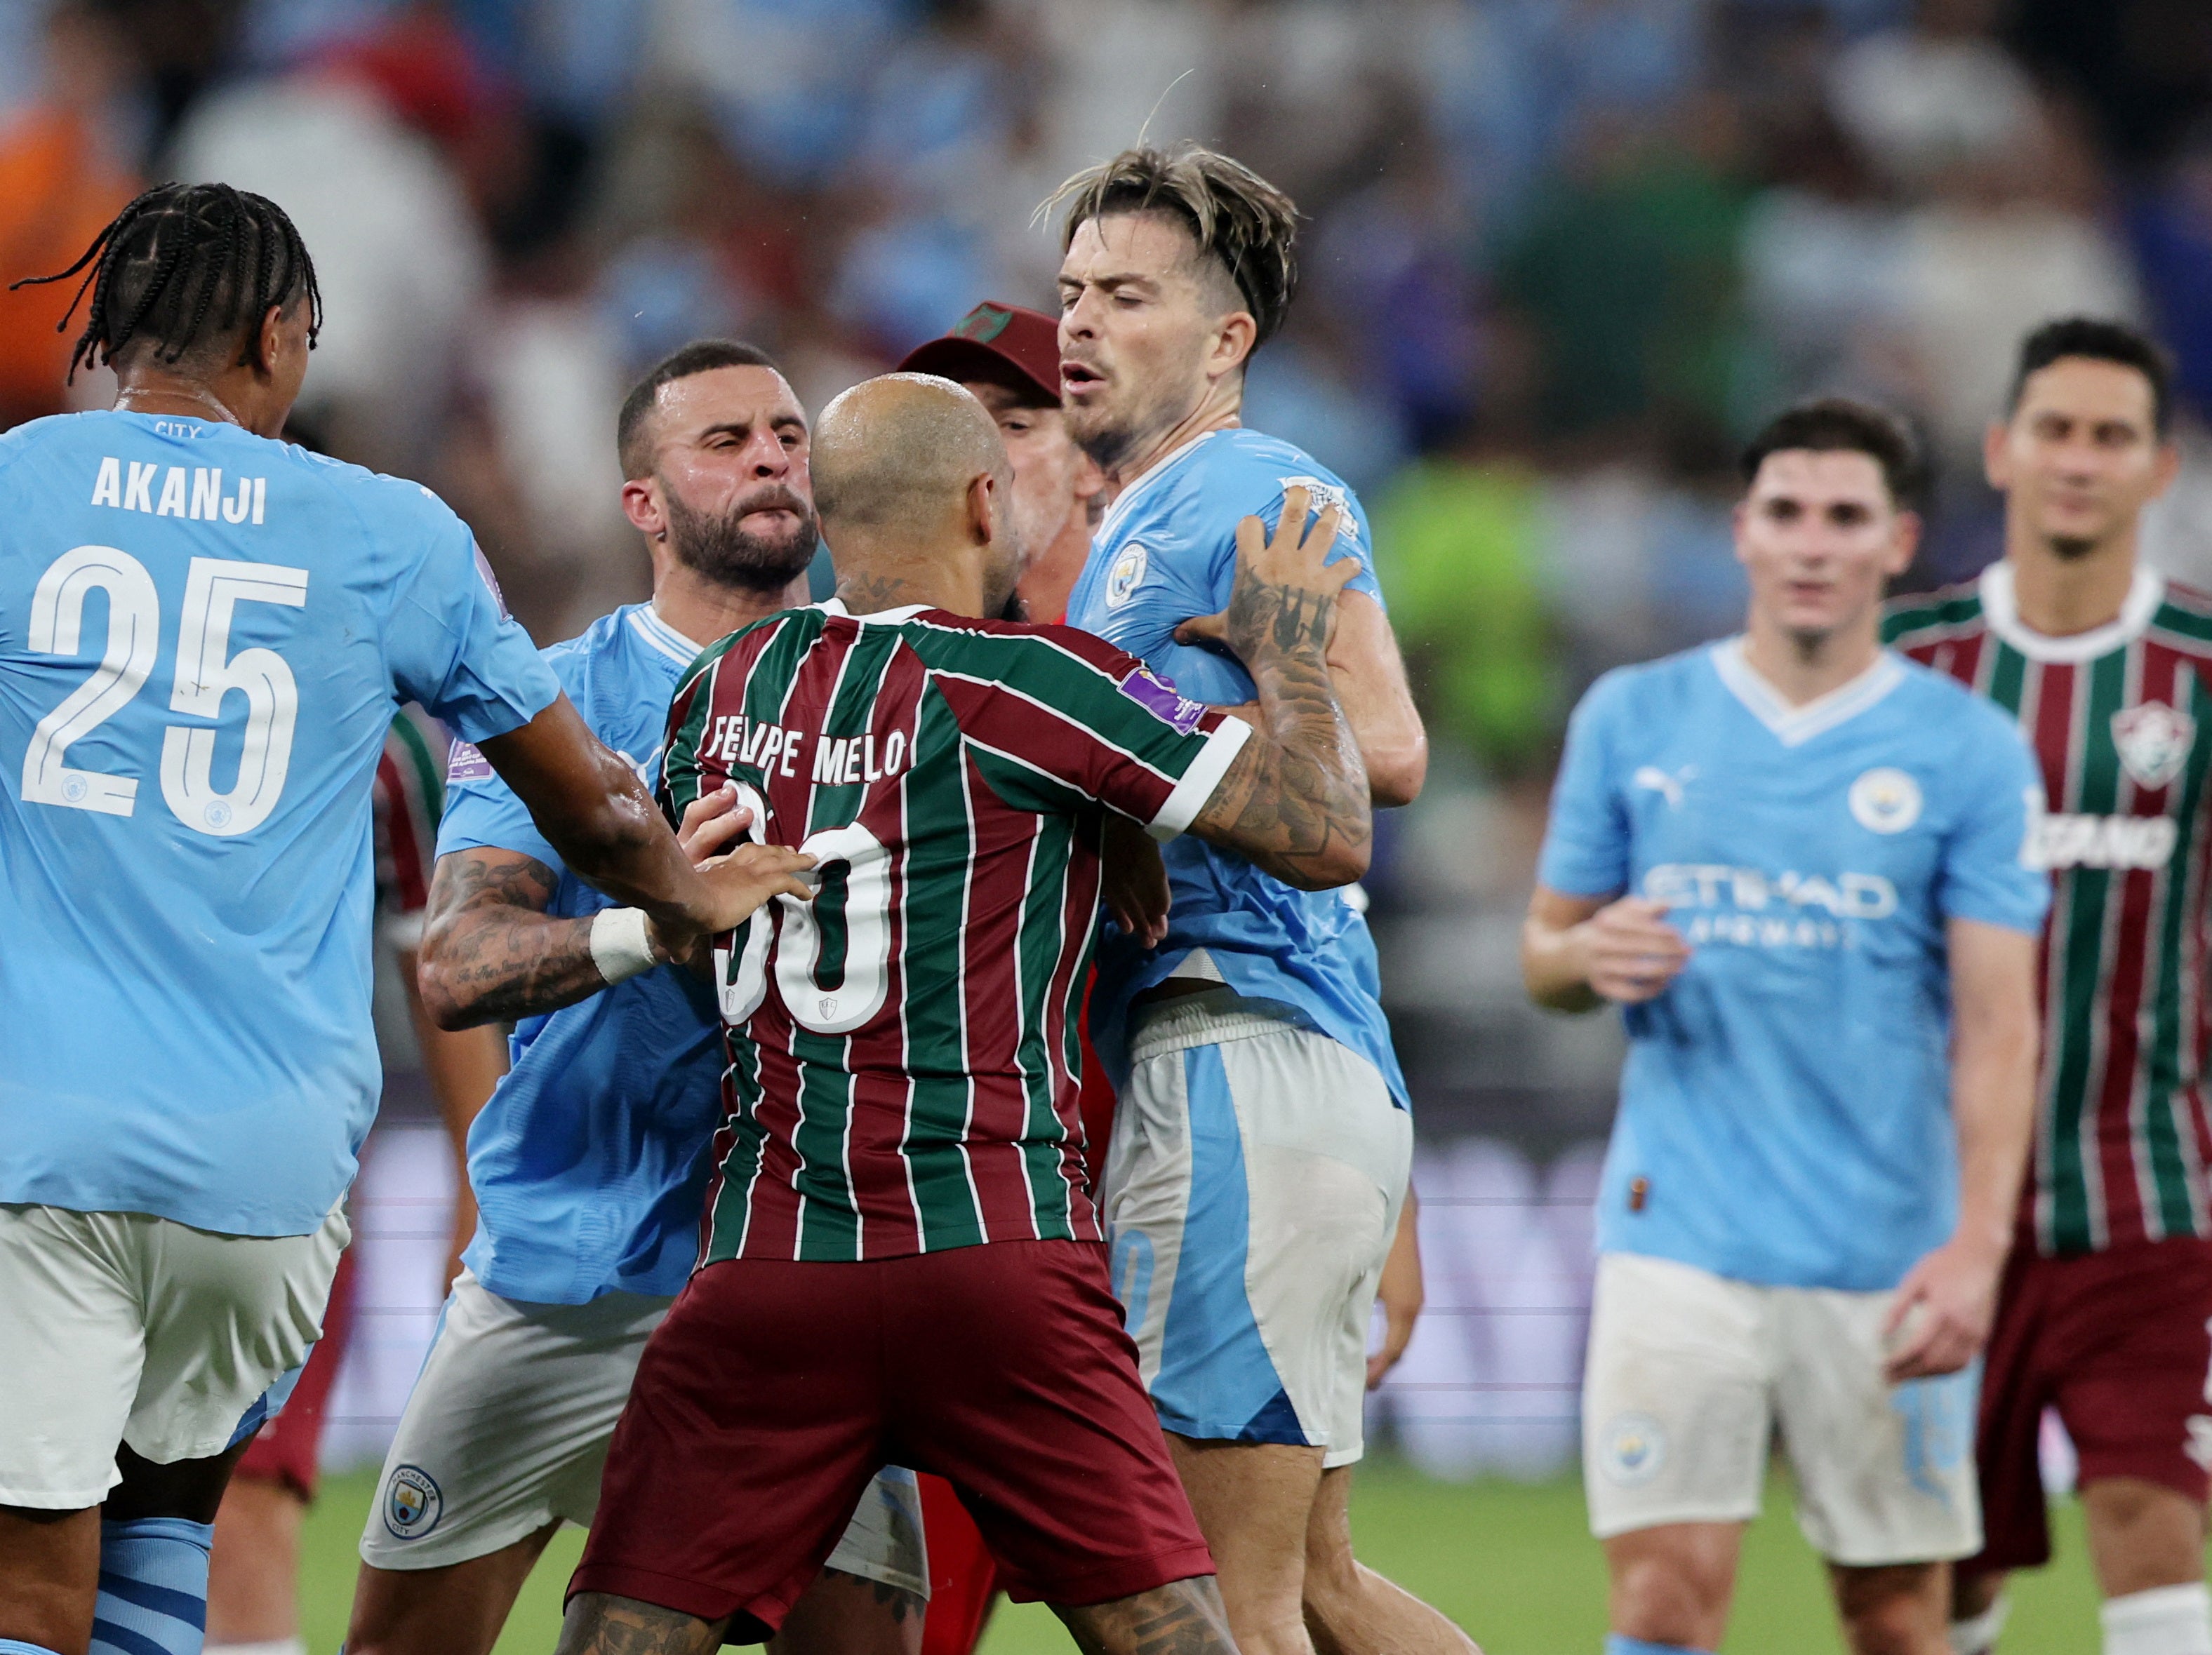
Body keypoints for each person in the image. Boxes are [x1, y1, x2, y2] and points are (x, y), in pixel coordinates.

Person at [0, 183, 800, 1655]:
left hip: (41, 1138)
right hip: (273, 1168)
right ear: (279, 334)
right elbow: (595, 811)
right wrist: (690, 894)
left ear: (110, 332)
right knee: (164, 1547)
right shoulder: (392, 533)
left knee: (26, 1595)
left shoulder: (15, 484)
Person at [557, 372, 1376, 1655]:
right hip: (995, 1257)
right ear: (988, 502)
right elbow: (1325, 830)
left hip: (768, 1266)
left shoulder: (723, 691)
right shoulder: (1036, 681)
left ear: (824, 514)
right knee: (1175, 1633)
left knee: (618, 1631)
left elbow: (695, 918)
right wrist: (1286, 650)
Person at [342, 341, 926, 1655]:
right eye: (724, 439)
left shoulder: (892, 691)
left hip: (800, 1277)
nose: (773, 455)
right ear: (643, 504)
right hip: (566, 1272)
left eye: (788, 434)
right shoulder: (557, 704)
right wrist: (653, 922)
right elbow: (458, 963)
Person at [1521, 398, 2049, 1655]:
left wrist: (1977, 1248)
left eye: (1844, 516)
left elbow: (1998, 1027)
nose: (1813, 542)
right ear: (1741, 531)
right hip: (1677, 1230)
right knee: (1660, 1599)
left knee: (1892, 1617)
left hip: (1884, 1250)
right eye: (1788, 513)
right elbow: (1543, 953)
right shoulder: (1631, 717)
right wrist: (1584, 955)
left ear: (1895, 540)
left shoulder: (1965, 750)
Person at [1051, 143, 1459, 1655]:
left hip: (1238, 1052)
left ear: (1225, 339)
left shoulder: (1254, 484)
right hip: (1269, 1059)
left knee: (1222, 1607)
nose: (1079, 323)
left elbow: (1392, 753)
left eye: (1127, 296)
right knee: (1325, 1588)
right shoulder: (1138, 519)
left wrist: (1269, 683)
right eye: (1073, 291)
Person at [1884, 319, 2212, 1655]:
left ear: (2157, 466)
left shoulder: (2198, 673)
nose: (2079, 460)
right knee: (1943, 1575)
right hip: (1933, 1205)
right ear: (2002, 451)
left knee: (2151, 1516)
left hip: (2150, 1188)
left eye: (2111, 436)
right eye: (2057, 432)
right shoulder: (1909, 667)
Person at [208, 709, 512, 1655]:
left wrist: (478, 1189)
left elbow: (439, 969)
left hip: (277, 1183)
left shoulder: (378, 741)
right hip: (98, 1167)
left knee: (234, 1528)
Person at [898, 300, 1104, 623]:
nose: (968, 452)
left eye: (1014, 426)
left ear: (1095, 461)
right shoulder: (908, 645)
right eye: (950, 428)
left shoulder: (1146, 632)